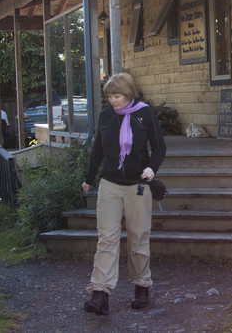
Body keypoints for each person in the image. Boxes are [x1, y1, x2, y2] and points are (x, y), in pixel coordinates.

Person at [81, 72, 166, 316]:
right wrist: (89, 179)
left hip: (137, 186)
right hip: (109, 184)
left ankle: (141, 286)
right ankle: (100, 293)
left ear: (129, 94)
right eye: (109, 96)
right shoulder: (106, 116)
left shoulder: (144, 114)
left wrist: (152, 167)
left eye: (117, 95)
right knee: (106, 238)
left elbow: (159, 146)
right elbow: (98, 149)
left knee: (138, 237)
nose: (113, 100)